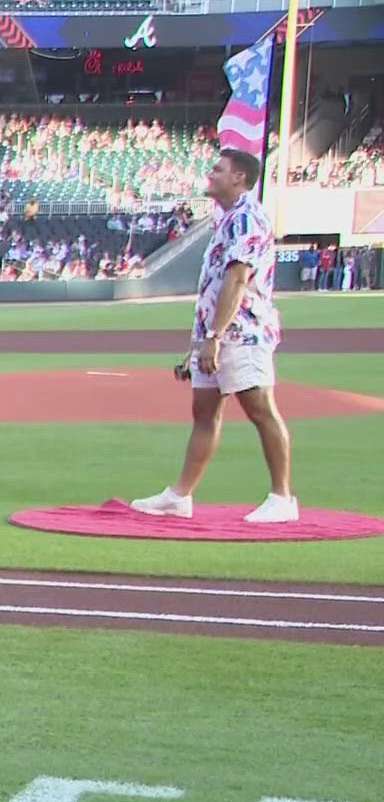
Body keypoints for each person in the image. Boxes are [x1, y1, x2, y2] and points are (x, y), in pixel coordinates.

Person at [131, 149, 296, 524]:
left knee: (260, 409)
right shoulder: (227, 219)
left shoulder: (247, 220)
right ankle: (180, 495)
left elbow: (238, 280)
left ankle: (283, 496)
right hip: (214, 333)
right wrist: (199, 342)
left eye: (218, 170)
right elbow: (214, 285)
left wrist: (215, 336)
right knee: (205, 411)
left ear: (239, 177)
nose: (211, 174)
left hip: (243, 333)